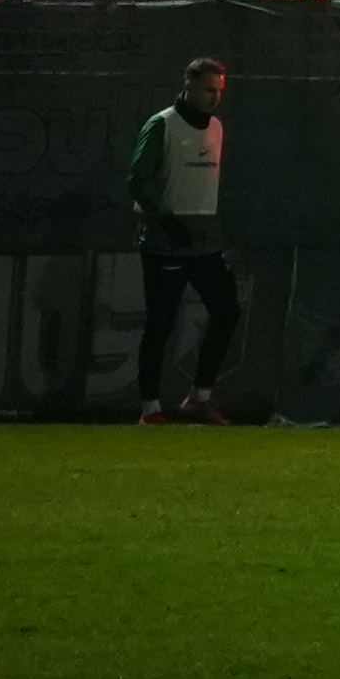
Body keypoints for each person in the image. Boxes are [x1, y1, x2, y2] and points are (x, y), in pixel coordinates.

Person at [127, 53, 237, 423]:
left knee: (227, 310)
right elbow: (138, 179)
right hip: (166, 243)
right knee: (161, 323)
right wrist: (166, 221)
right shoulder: (162, 125)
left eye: (218, 91)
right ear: (188, 86)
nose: (214, 98)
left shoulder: (216, 127)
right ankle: (150, 409)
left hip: (204, 242)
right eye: (207, 90)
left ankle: (199, 398)